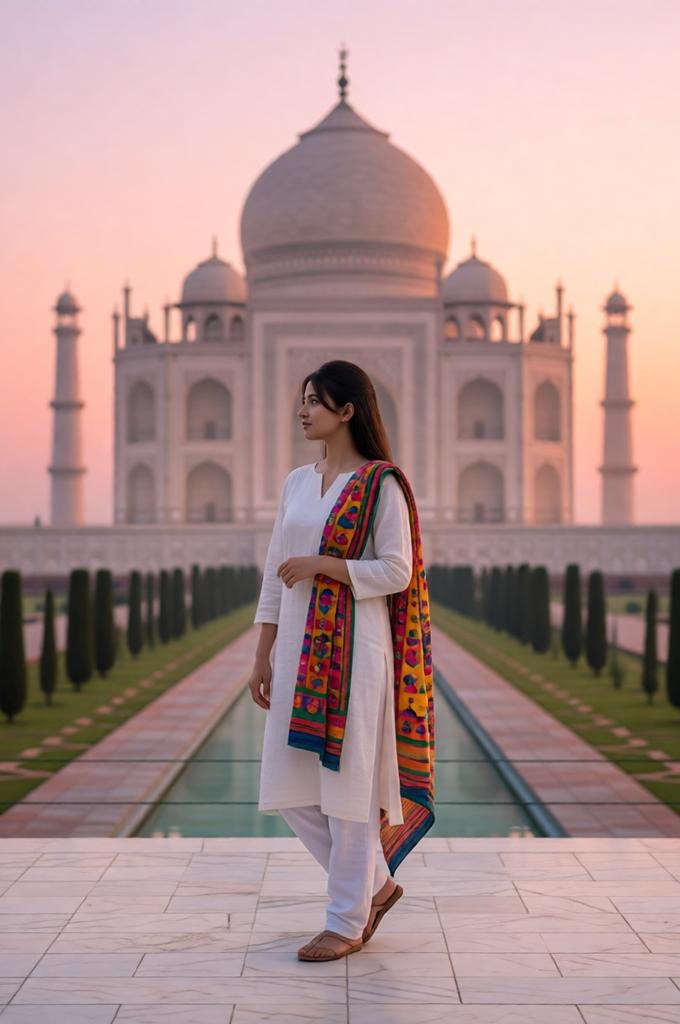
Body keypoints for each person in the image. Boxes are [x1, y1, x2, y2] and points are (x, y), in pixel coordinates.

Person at [248, 359, 435, 962]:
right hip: (301, 651)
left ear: (348, 409)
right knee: (291, 786)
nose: (302, 411)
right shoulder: (297, 483)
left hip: (359, 653)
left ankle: (346, 921)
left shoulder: (383, 484)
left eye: (315, 401)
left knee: (349, 787)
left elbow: (396, 570)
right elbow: (275, 577)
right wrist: (262, 655)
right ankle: (376, 885)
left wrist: (325, 565)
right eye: (301, 400)